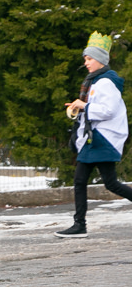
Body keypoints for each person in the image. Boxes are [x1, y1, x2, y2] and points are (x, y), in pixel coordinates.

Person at [56, 31, 132, 238]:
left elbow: (107, 111)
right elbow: (97, 108)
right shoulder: (97, 81)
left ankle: (79, 225)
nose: (86, 63)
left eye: (89, 58)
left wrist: (84, 105)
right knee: (99, 182)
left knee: (102, 182)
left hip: (102, 139)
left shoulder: (106, 82)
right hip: (96, 139)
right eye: (85, 59)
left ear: (100, 60)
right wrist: (80, 107)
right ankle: (79, 224)